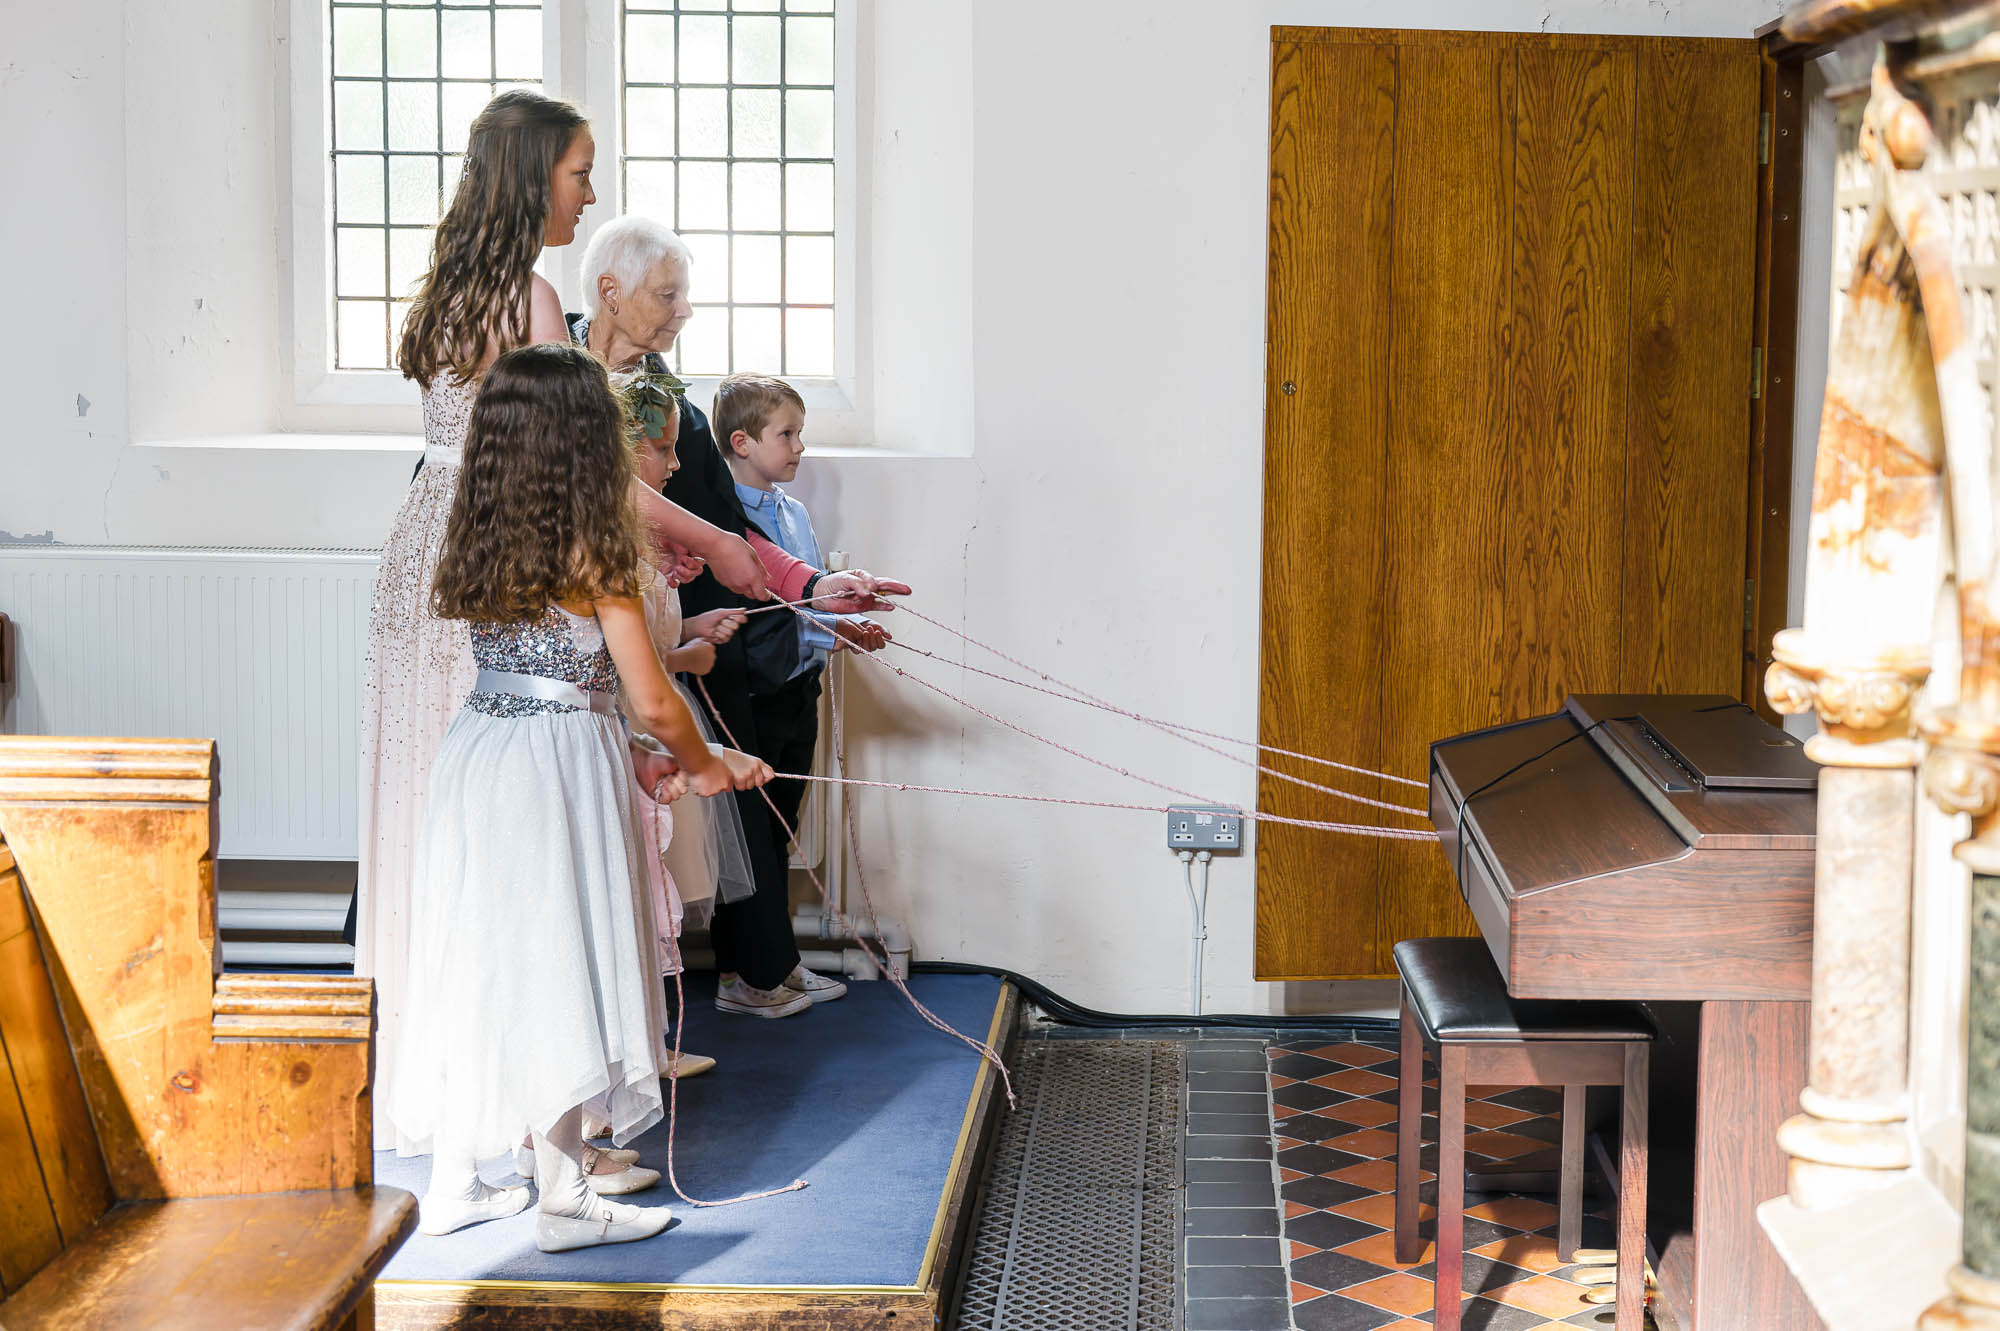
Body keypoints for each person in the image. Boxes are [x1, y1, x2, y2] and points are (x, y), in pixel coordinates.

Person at [386, 342, 773, 1251]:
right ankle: (562, 1196)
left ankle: (455, 1181)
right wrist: (707, 760)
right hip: (556, 765)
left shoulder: (485, 527)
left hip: (483, 749)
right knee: (558, 956)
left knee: (488, 956)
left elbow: (555, 676)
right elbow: (646, 692)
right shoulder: (594, 542)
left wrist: (646, 754)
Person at [568, 215, 913, 1019]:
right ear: (609, 292)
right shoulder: (554, 381)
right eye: (670, 294)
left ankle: (678, 1003)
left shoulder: (677, 412)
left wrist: (813, 589)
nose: (684, 311)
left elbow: (729, 529)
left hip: (665, 626)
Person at [714, 373, 891, 896]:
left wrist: (843, 627)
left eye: (801, 433)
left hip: (799, 693)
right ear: (741, 443)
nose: (800, 446)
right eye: (786, 435)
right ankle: (746, 971)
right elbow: (761, 620)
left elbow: (806, 603)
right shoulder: (723, 523)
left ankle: (773, 968)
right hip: (755, 696)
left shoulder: (795, 514)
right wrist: (828, 634)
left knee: (784, 827)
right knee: (752, 838)